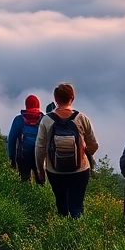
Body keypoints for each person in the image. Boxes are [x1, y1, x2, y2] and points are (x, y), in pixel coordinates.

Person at [34, 83, 99, 218]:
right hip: (80, 170)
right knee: (77, 206)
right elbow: (94, 144)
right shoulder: (82, 118)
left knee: (61, 204)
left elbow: (40, 147)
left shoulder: (46, 120)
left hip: (55, 171)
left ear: (55, 99)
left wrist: (40, 170)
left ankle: (62, 231)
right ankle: (77, 233)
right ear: (72, 98)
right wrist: (82, 154)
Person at [6, 95, 45, 185]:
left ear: (26, 105)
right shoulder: (43, 119)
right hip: (39, 156)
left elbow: (11, 140)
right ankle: (41, 198)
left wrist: (12, 159)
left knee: (25, 181)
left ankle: (26, 197)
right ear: (38, 105)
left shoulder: (19, 120)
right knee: (40, 182)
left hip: (23, 156)